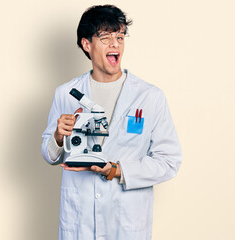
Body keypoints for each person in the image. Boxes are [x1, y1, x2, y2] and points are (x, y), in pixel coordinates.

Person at [41, 5, 182, 240]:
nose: (115, 44)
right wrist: (57, 136)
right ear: (87, 45)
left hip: (126, 222)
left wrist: (116, 171)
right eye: (106, 38)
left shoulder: (149, 97)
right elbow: (49, 155)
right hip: (80, 220)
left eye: (120, 37)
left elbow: (169, 162)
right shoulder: (66, 94)